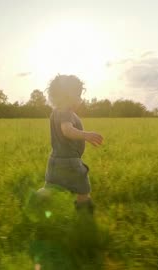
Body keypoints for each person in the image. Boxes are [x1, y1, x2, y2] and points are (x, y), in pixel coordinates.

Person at [43, 74, 104, 214]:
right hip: (70, 161)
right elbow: (67, 130)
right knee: (83, 187)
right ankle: (85, 214)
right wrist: (86, 135)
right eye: (78, 96)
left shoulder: (55, 113)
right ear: (68, 97)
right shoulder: (67, 113)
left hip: (54, 160)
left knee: (50, 187)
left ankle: (37, 201)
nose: (80, 100)